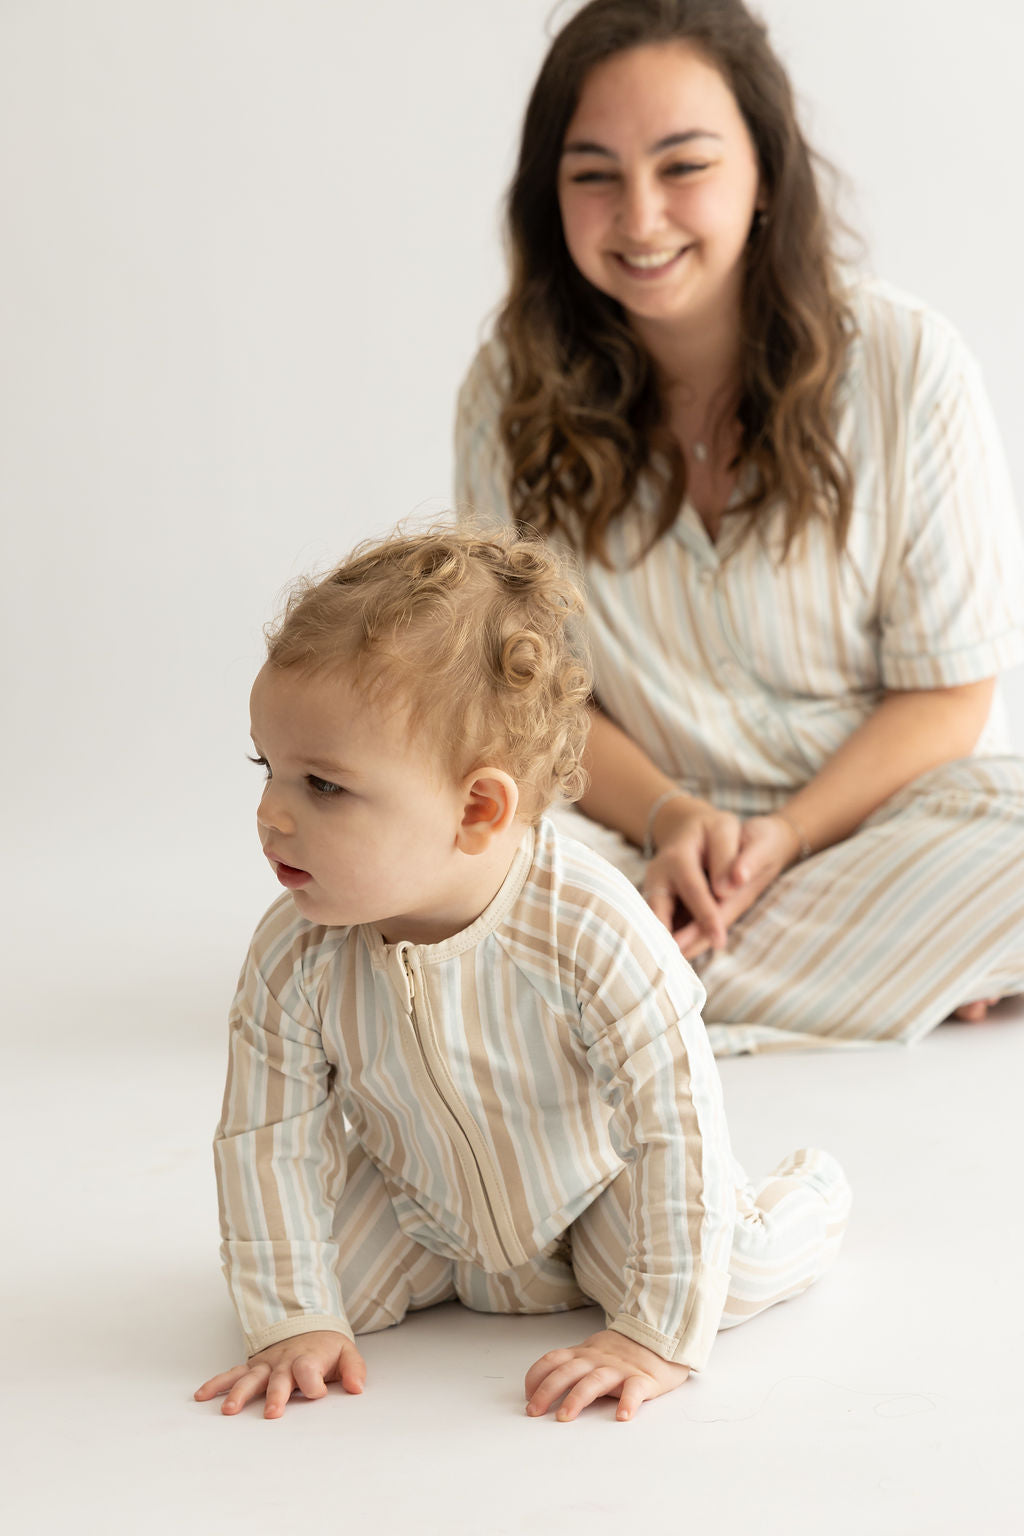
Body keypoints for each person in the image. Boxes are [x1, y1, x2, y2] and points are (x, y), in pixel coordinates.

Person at [454, 0, 1024, 1055]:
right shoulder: (507, 394)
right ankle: (900, 971)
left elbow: (950, 695)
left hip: (883, 823)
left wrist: (785, 838)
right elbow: (529, 699)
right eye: (593, 174)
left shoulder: (908, 366)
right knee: (453, 850)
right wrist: (673, 818)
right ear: (548, 194)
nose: (639, 218)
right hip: (633, 834)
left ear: (765, 172)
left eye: (684, 166)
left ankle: (644, 982)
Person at [193, 526, 849, 1422]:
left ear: (477, 808)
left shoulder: (588, 927)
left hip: (594, 1204)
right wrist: (293, 1319)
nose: (270, 814)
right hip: (421, 1214)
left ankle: (807, 1200)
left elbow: (674, 1122)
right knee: (287, 1280)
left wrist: (652, 1334)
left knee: (724, 1277)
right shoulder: (294, 955)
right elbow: (267, 1139)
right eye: (267, 768)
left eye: (324, 786)